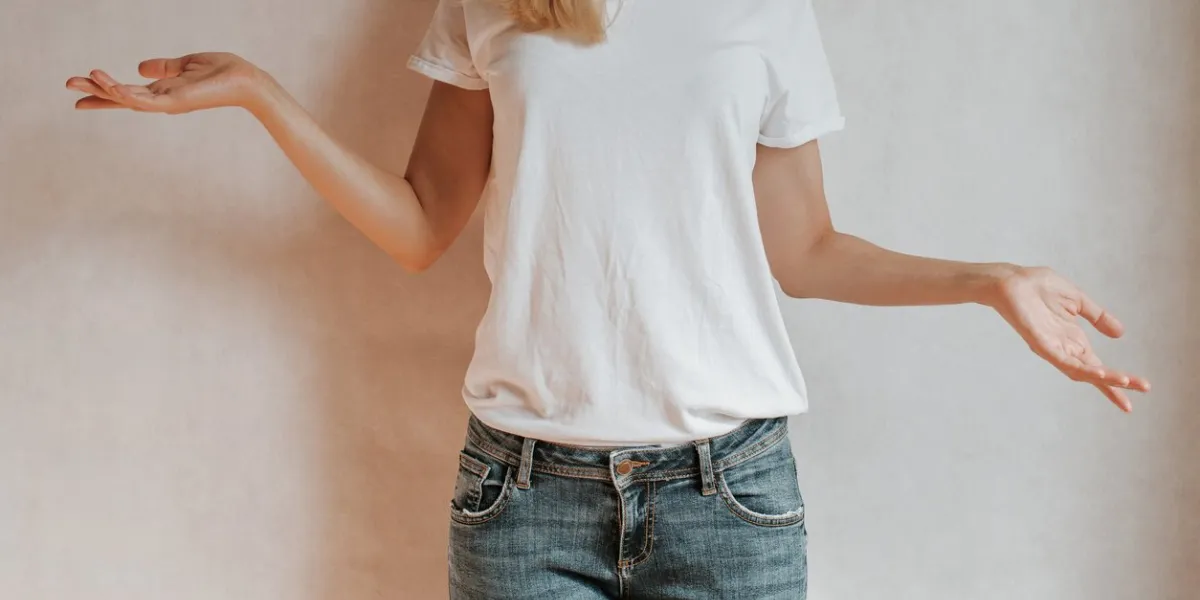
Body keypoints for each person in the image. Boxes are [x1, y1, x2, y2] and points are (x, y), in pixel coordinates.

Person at [66, 0, 1151, 597]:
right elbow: (416, 227)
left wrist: (987, 282)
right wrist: (261, 94)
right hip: (523, 494)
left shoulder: (765, 8)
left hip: (730, 499)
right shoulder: (492, 2)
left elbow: (806, 248)